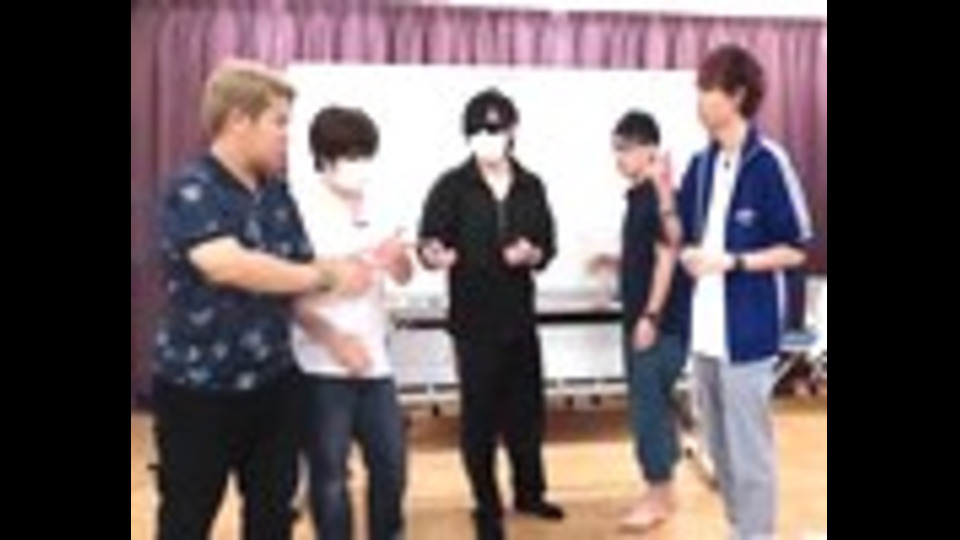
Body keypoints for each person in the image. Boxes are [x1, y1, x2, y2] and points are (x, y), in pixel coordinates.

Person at [152, 59, 372, 540]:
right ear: (238, 120)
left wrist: (332, 331)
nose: (287, 136)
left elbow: (293, 277)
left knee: (273, 519)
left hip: (273, 386)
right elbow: (227, 264)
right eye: (279, 122)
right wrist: (326, 275)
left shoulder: (276, 193)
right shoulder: (192, 188)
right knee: (187, 519)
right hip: (198, 392)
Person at [677, 44, 814, 540]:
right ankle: (743, 530)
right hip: (705, 333)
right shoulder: (701, 164)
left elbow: (796, 249)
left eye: (707, 89)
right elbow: (681, 233)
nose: (699, 99)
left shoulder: (769, 162)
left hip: (748, 334)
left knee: (749, 452)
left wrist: (733, 262)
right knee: (717, 451)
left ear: (736, 95)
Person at [418, 88, 563, 540]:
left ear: (512, 131)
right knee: (479, 418)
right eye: (478, 131)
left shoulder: (531, 185)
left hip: (520, 318)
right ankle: (486, 504)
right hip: (473, 323)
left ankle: (530, 492)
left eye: (495, 129)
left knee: (527, 414)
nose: (487, 137)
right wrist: (433, 254)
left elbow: (548, 245)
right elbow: (429, 242)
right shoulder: (451, 186)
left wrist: (533, 253)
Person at [291, 106, 412, 540]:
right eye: (350, 156)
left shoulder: (380, 201)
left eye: (366, 155)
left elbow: (403, 273)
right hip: (320, 362)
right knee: (329, 475)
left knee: (391, 464)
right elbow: (288, 290)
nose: (360, 166)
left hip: (375, 359)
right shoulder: (300, 208)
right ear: (324, 158)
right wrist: (333, 337)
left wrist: (398, 261)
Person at [590, 111, 686, 532]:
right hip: (644, 320)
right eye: (616, 149)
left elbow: (668, 257)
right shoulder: (638, 197)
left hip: (657, 325)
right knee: (657, 407)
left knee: (648, 411)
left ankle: (656, 497)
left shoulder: (659, 198)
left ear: (650, 150)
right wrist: (614, 261)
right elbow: (647, 254)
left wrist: (650, 316)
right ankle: (664, 493)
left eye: (625, 149)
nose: (619, 158)